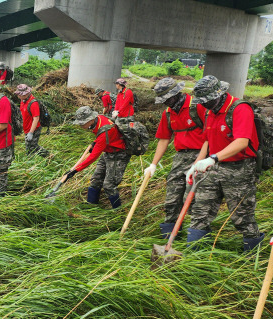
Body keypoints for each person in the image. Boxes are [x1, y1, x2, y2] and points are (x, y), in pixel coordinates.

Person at [185, 75, 264, 251]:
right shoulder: (209, 112)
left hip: (239, 169)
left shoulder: (240, 108)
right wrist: (195, 165)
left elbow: (242, 141)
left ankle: (252, 256)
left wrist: (213, 158)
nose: (204, 105)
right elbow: (207, 140)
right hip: (214, 168)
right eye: (202, 102)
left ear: (219, 95)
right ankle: (195, 256)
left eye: (207, 101)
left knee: (242, 216)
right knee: (200, 211)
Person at [144, 77, 206, 239]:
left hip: (202, 154)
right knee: (172, 196)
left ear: (177, 93)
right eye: (163, 100)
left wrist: (201, 160)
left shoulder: (197, 106)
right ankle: (170, 236)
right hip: (181, 157)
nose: (166, 103)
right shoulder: (168, 113)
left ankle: (196, 237)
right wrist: (153, 164)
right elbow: (164, 139)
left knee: (192, 197)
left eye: (168, 99)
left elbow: (211, 134)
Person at [66, 106, 130, 208]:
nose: (81, 125)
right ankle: (91, 206)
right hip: (108, 150)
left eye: (82, 123)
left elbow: (93, 157)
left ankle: (118, 210)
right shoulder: (98, 119)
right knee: (96, 180)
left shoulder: (105, 131)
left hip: (119, 154)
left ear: (90, 120)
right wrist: (94, 143)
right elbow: (101, 138)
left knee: (109, 185)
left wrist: (75, 170)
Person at [15, 84, 49, 157]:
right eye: (18, 95)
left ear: (27, 93)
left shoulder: (33, 103)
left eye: (20, 95)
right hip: (26, 128)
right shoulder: (23, 100)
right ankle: (33, 158)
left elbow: (36, 118)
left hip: (33, 129)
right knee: (31, 146)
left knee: (32, 147)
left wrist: (31, 133)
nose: (19, 96)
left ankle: (47, 155)